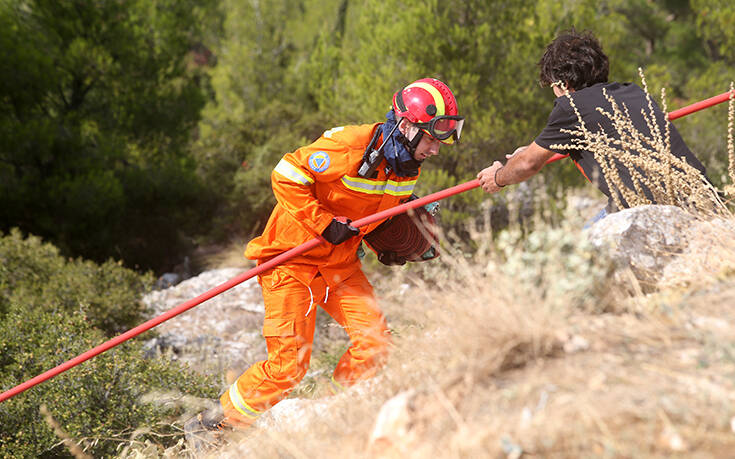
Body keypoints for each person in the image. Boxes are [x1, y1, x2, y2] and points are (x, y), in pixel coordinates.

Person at [185, 78, 463, 446]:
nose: (435, 149)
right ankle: (214, 427)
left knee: (375, 342)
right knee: (288, 366)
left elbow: (374, 210)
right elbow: (285, 176)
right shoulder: (350, 144)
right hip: (289, 262)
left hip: (340, 264)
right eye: (430, 137)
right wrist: (324, 224)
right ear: (407, 126)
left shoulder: (407, 165)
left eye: (440, 139)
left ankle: (333, 411)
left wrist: (388, 243)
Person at [477, 29, 708, 222]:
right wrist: (531, 150)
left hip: (651, 211)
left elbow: (527, 164)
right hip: (702, 197)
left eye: (552, 87)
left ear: (563, 83)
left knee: (576, 261)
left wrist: (497, 177)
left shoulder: (571, 106)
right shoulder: (633, 91)